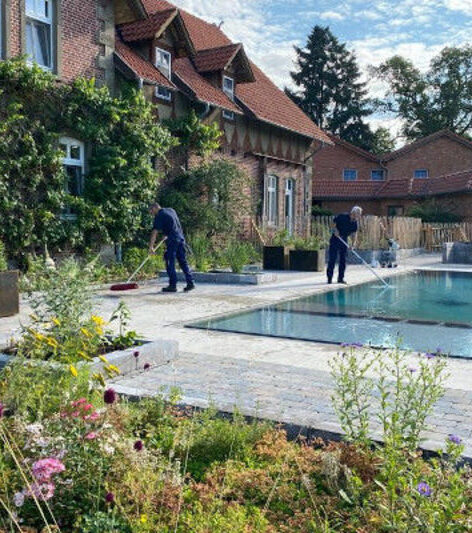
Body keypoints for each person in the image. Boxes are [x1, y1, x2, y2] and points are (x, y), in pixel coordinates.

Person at [148, 202, 195, 293]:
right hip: (180, 239)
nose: (151, 213)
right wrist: (167, 234)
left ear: (154, 208)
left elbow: (154, 232)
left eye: (151, 211)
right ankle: (190, 283)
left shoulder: (159, 215)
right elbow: (173, 224)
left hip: (173, 241)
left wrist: (151, 247)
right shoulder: (171, 210)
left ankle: (172, 285)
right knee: (182, 261)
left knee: (170, 261)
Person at [327, 206, 363, 284]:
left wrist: (353, 245)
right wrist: (335, 230)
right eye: (358, 214)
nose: (359, 216)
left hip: (344, 240)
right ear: (353, 213)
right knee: (332, 259)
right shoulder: (342, 216)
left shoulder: (355, 223)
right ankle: (329, 278)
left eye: (360, 214)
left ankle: (340, 278)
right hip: (335, 239)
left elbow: (354, 234)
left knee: (343, 260)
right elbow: (332, 223)